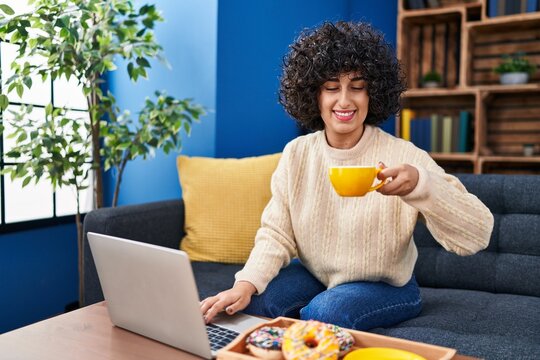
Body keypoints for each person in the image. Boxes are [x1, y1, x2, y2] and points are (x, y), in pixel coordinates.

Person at [200, 21, 494, 330]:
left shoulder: (405, 156)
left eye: (357, 87)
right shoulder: (297, 153)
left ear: (373, 94)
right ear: (314, 94)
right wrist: (245, 284)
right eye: (331, 88)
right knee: (253, 304)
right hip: (315, 275)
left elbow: (478, 234)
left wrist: (422, 185)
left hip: (386, 286)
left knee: (326, 313)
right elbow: (276, 233)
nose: (344, 101)